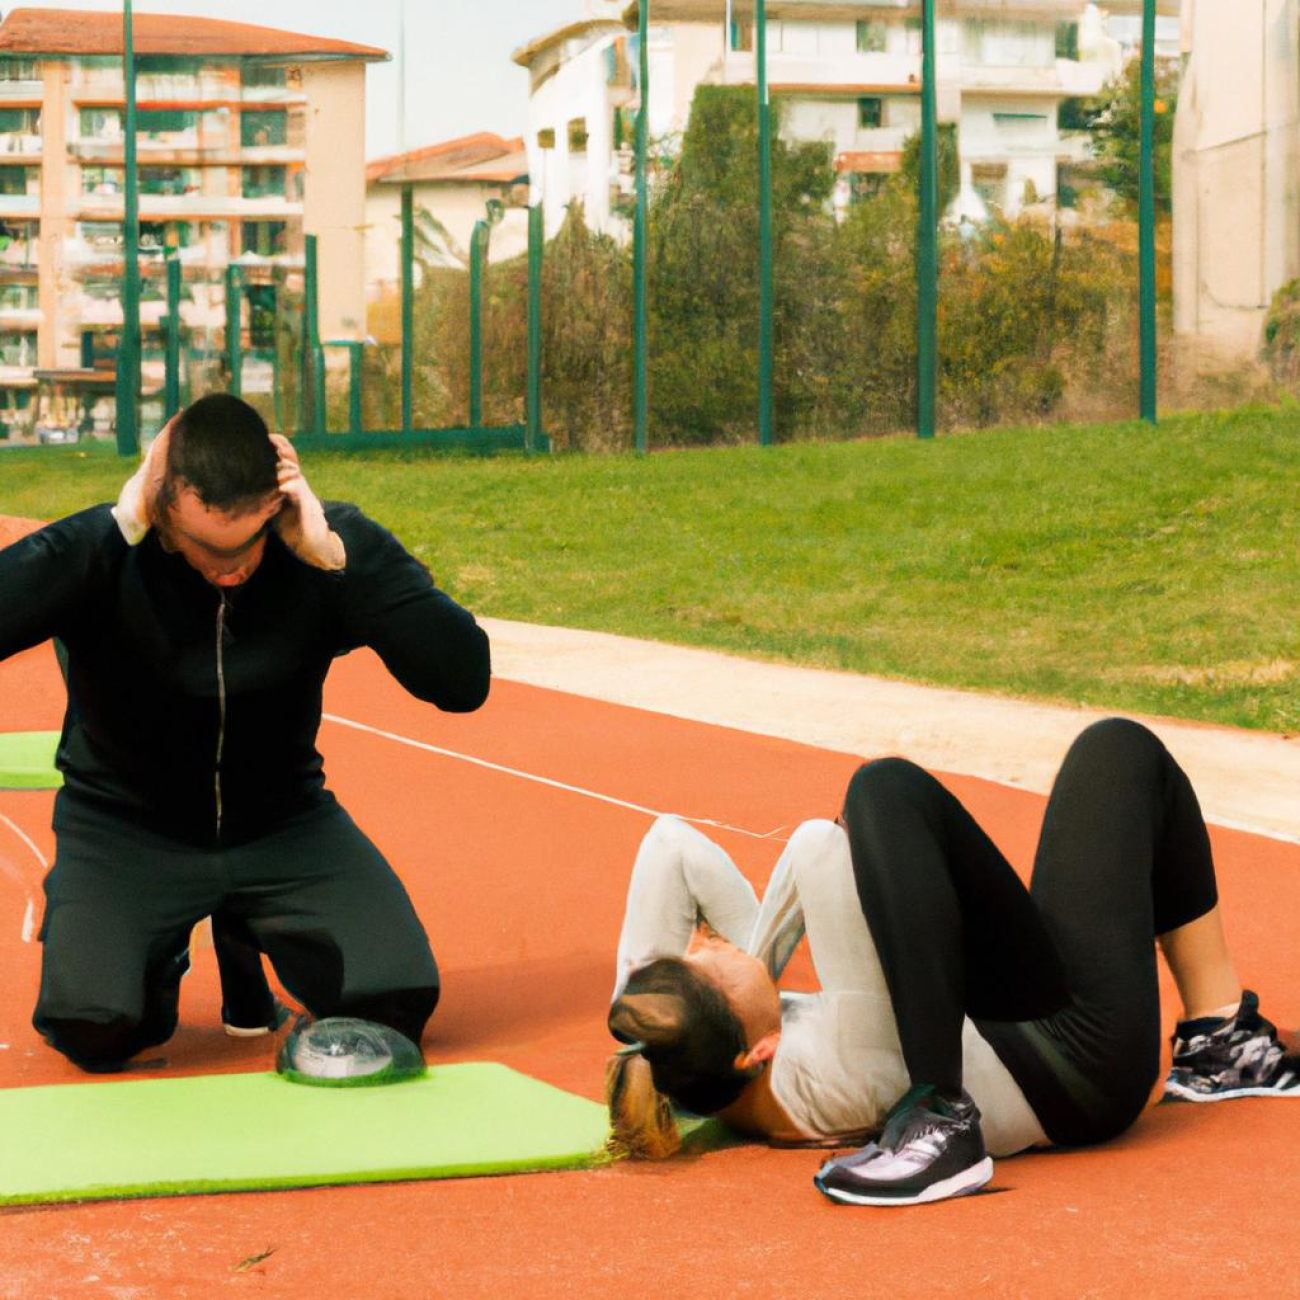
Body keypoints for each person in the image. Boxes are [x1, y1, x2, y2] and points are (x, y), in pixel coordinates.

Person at [606, 718, 1298, 1204]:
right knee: (883, 791)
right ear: (756, 1052)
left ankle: (1218, 1043)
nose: (710, 943)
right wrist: (772, 938)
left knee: (1118, 748)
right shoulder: (820, 1079)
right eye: (710, 963)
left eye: (699, 946)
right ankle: (940, 1118)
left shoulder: (714, 1045)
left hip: (1000, 1016)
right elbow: (819, 845)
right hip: (1077, 1067)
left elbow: (670, 846)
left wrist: (655, 1017)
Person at [0, 394, 490, 1072]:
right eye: (206, 547)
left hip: (285, 824)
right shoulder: (107, 553)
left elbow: (465, 682)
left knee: (394, 1004)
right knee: (95, 1031)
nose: (229, 569)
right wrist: (112, 527)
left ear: (277, 503)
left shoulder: (322, 546)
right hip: (125, 830)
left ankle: (246, 925)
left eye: (249, 543)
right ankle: (159, 946)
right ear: (160, 503)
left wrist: (340, 560)